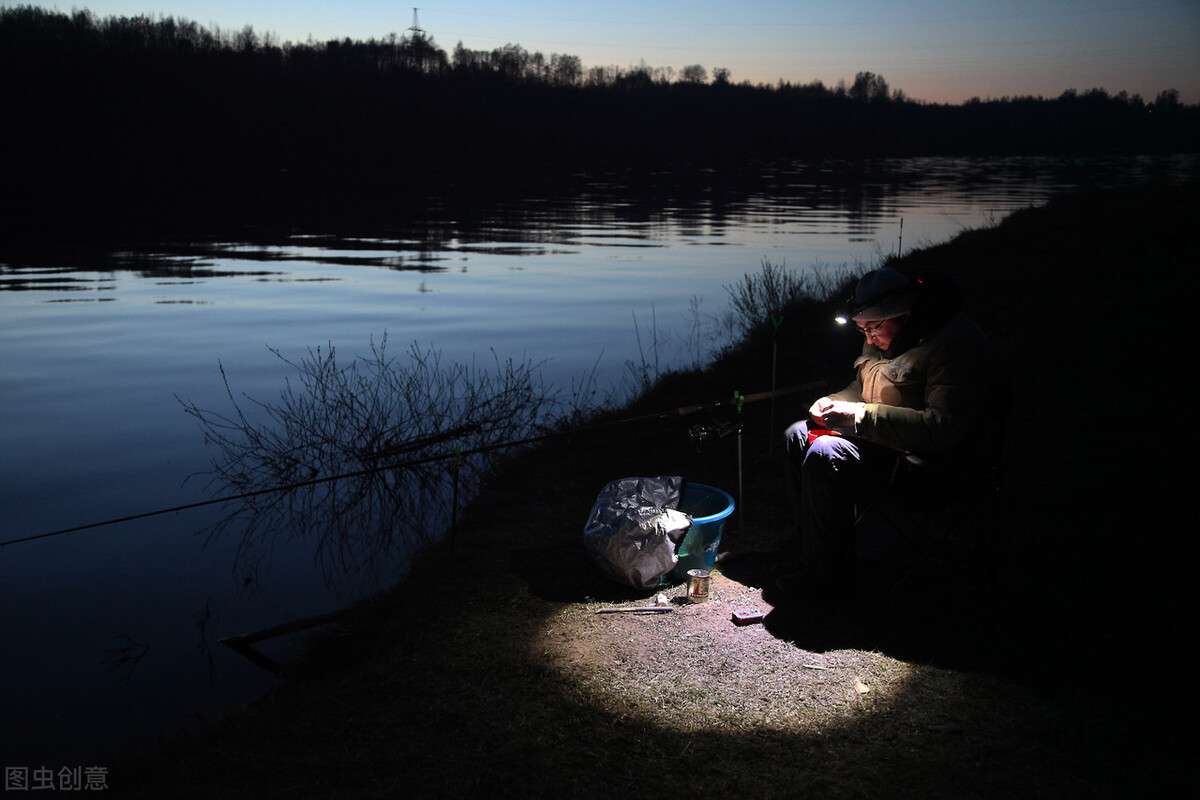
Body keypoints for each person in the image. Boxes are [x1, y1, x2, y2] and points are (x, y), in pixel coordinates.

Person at [780, 265, 1002, 601]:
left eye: (872, 327)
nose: (868, 338)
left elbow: (943, 428)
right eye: (862, 330)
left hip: (934, 467)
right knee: (798, 433)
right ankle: (812, 550)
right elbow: (862, 388)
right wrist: (833, 402)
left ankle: (828, 579)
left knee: (828, 453)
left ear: (906, 314)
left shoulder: (955, 344)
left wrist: (858, 417)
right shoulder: (887, 336)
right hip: (890, 447)